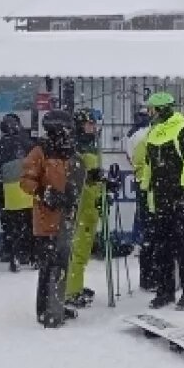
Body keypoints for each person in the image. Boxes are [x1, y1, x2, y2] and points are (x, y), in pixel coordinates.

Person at [21, 110, 85, 327]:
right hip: (46, 218)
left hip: (67, 216)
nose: (70, 133)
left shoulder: (70, 152)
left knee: (62, 263)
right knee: (49, 266)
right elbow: (25, 181)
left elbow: (75, 176)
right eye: (67, 128)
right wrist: (44, 193)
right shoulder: (40, 152)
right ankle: (45, 311)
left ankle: (56, 304)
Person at [138, 91, 184, 309]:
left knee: (183, 247)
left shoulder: (183, 131)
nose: (149, 113)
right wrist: (145, 189)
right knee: (161, 248)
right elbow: (149, 165)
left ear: (162, 110)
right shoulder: (153, 133)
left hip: (177, 200)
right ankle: (165, 291)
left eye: (152, 109)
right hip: (158, 200)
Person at [0, 113, 34, 272]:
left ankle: (14, 256)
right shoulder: (27, 142)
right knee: (29, 224)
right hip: (27, 191)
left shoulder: (1, 145)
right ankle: (32, 256)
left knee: (12, 227)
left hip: (9, 194)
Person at [65, 109, 103, 308]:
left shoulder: (91, 146)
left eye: (94, 124)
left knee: (84, 250)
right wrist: (92, 178)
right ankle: (70, 291)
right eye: (90, 123)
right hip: (81, 206)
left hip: (90, 204)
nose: (93, 127)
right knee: (77, 251)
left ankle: (75, 285)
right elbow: (76, 178)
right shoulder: (76, 149)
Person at [125, 104, 155, 290]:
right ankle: (153, 276)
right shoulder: (149, 136)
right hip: (151, 184)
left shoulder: (131, 135)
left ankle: (139, 241)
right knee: (152, 226)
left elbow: (131, 157)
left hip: (141, 180)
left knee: (142, 218)